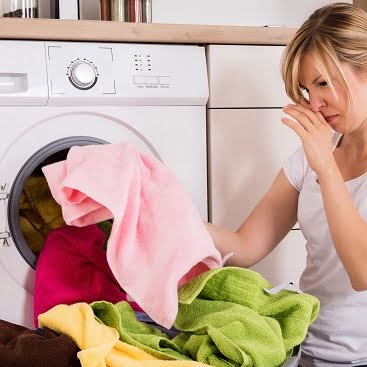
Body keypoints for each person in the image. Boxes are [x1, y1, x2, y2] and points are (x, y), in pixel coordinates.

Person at [205, 2, 367, 366]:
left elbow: (363, 272)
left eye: (323, 83)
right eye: (307, 90)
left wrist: (325, 167)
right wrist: (158, 208)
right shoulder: (308, 159)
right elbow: (245, 247)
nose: (316, 103)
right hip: (304, 345)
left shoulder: (318, 159)